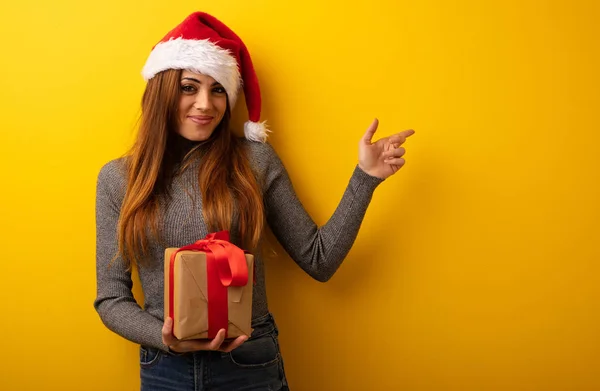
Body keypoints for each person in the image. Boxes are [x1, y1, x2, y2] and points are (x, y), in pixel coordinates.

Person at [94, 11, 414, 391]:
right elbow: (111, 298)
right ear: (162, 89)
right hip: (165, 369)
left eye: (217, 90)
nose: (205, 104)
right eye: (188, 87)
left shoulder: (254, 160)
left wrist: (365, 178)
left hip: (249, 364)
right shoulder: (118, 178)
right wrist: (165, 336)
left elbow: (319, 259)